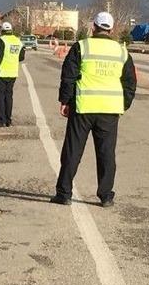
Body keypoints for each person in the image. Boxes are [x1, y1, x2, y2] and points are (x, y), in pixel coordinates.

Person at [50, 12, 136, 208]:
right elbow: (130, 82)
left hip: (83, 108)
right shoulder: (122, 51)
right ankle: (105, 196)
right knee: (106, 154)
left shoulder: (81, 47)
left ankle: (64, 193)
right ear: (111, 30)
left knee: (73, 151)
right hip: (109, 110)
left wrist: (65, 100)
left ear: (93, 28)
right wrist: (123, 104)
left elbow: (69, 76)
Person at [0, 22, 25, 127]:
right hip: (13, 73)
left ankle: (1, 120)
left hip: (2, 72)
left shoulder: (1, 41)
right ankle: (8, 120)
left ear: (2, 30)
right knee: (8, 96)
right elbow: (21, 57)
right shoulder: (18, 41)